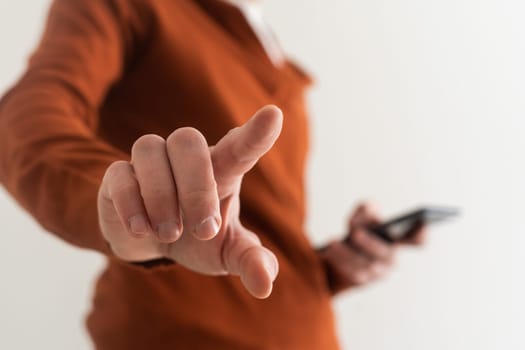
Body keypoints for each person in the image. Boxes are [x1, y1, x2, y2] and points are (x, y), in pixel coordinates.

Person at [0, 0, 426, 349]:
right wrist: (123, 204)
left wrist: (334, 267)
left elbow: (257, 228)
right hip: (186, 333)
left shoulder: (269, 46)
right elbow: (22, 124)